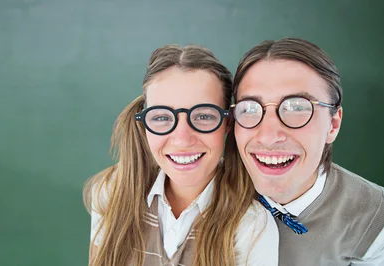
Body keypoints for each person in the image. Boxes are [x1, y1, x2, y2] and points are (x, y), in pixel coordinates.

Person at [83, 44, 278, 266]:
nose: (182, 139)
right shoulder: (111, 192)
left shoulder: (252, 226)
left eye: (203, 116)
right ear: (145, 123)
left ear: (228, 122)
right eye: (161, 117)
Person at [230, 37, 384, 265]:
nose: (268, 135)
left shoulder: (378, 220)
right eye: (249, 109)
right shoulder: (201, 193)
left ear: (333, 125)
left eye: (297, 107)